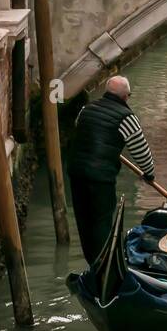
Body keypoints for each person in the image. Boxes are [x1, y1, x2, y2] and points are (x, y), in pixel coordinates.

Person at [66, 75, 155, 265]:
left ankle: (93, 264)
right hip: (100, 178)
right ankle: (103, 265)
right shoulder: (128, 118)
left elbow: (82, 132)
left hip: (76, 173)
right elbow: (141, 152)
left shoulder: (85, 110)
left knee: (84, 220)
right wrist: (149, 174)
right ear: (126, 97)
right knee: (101, 222)